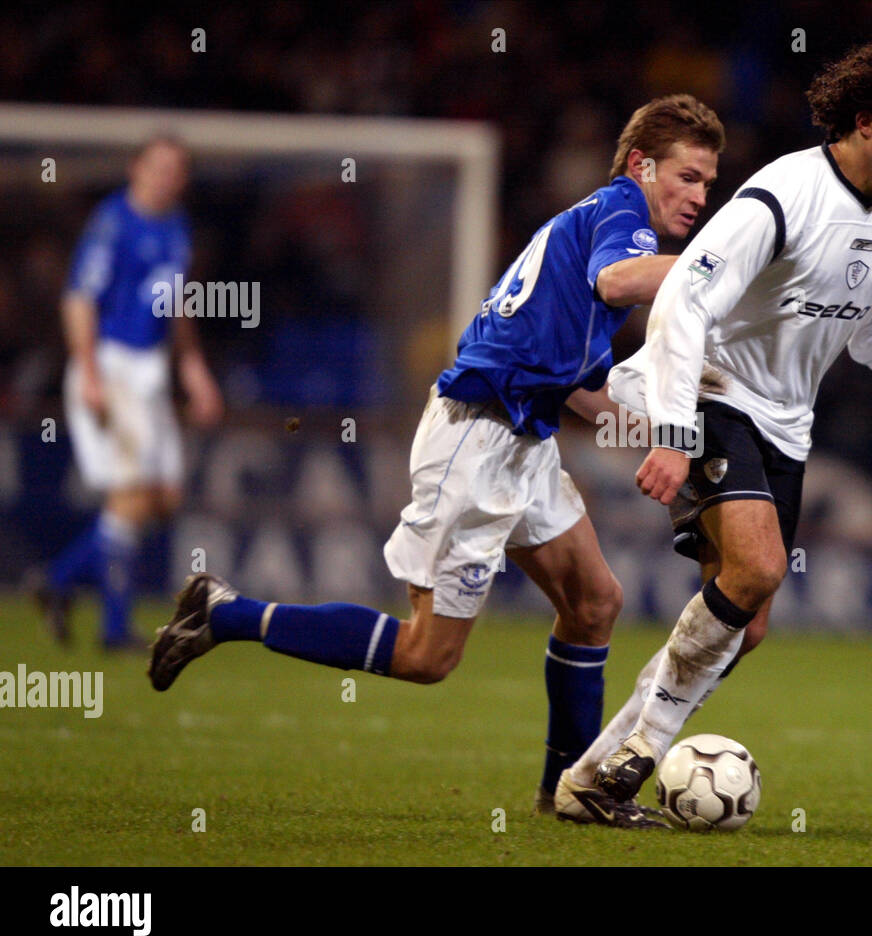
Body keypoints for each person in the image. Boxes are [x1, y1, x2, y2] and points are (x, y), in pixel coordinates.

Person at [147, 95, 724, 828]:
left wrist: (662, 435)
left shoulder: (590, 230)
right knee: (428, 656)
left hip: (523, 439)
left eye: (709, 184)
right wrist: (714, 270)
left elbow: (577, 383)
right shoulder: (620, 213)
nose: (701, 197)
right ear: (643, 167)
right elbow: (620, 281)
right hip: (475, 443)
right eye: (689, 177)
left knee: (594, 603)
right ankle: (227, 615)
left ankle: (571, 792)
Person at [564, 37, 872, 807]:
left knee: (744, 625)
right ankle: (644, 751)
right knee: (759, 570)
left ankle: (591, 776)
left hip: (783, 420)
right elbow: (682, 303)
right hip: (708, 390)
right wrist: (677, 437)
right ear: (865, 122)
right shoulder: (781, 196)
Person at [36, 135, 223, 650]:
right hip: (113, 366)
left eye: (176, 169)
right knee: (132, 495)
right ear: (135, 168)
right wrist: (91, 374)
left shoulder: (177, 226)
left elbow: (176, 307)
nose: (167, 177)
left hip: (151, 374)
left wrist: (194, 372)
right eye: (158, 166)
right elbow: (78, 300)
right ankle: (113, 628)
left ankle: (57, 581)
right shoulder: (112, 222)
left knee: (164, 499)